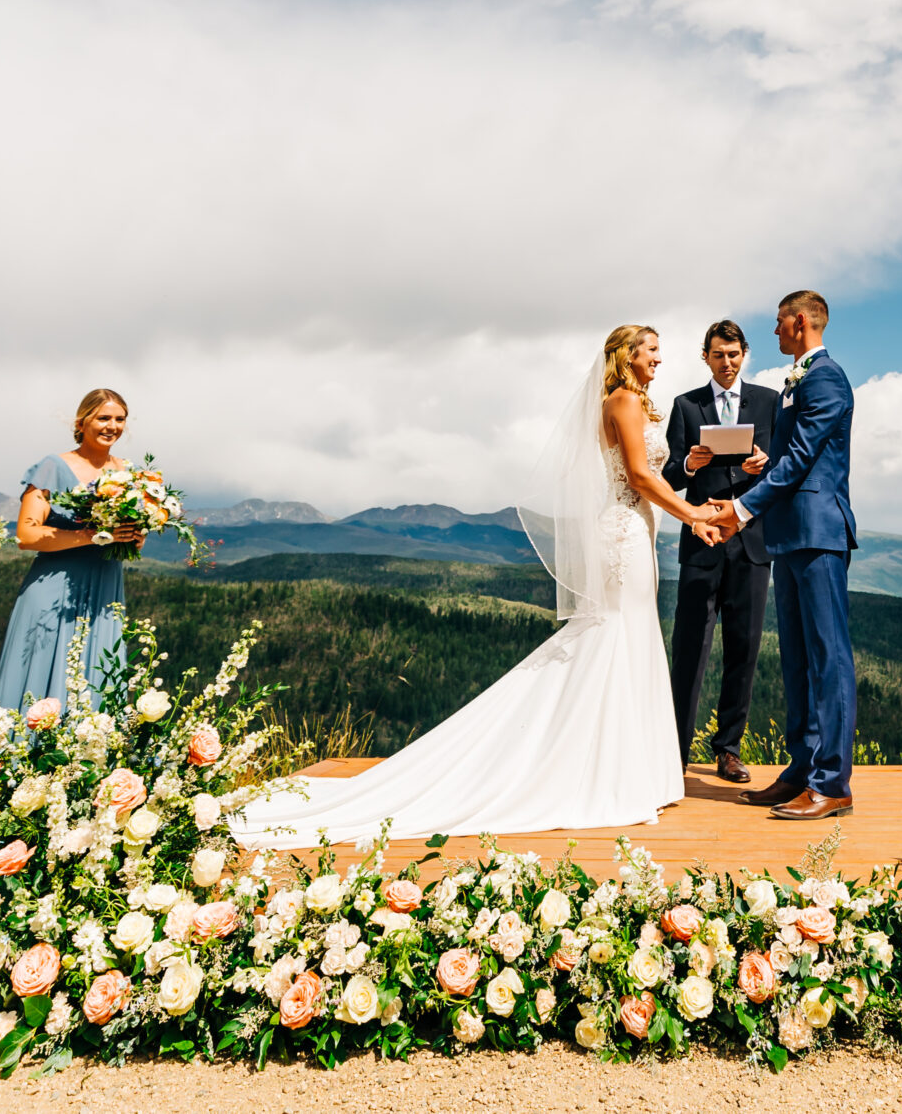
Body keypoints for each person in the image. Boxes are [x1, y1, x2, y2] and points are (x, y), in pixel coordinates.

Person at [235, 325, 719, 847]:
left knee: (630, 639)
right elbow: (640, 477)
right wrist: (692, 514)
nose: (659, 361)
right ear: (627, 356)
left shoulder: (634, 403)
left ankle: (635, 771)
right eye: (651, 352)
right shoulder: (622, 399)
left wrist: (691, 489)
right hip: (622, 532)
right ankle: (612, 774)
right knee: (614, 639)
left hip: (635, 528)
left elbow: (655, 474)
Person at [706, 290, 858, 822]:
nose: (772, 332)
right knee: (796, 659)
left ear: (799, 321)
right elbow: (787, 460)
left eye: (777, 323)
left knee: (829, 657)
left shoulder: (825, 378)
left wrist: (742, 510)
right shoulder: (800, 380)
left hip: (818, 532)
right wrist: (751, 487)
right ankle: (800, 771)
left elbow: (802, 461)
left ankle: (833, 782)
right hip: (789, 534)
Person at [663, 319, 777, 784]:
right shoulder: (686, 406)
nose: (726, 363)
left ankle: (728, 749)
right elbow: (667, 477)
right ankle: (674, 750)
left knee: (743, 649)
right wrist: (690, 462)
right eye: (718, 355)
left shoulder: (770, 403)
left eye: (733, 354)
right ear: (705, 357)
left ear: (743, 354)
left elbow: (785, 469)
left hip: (751, 543)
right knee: (689, 648)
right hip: (701, 541)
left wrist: (764, 464)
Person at [0, 388, 145, 713]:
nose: (112, 426)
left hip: (105, 589)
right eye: (103, 418)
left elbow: (131, 538)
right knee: (39, 679)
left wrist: (133, 536)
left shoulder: (130, 473)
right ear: (82, 421)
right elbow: (26, 534)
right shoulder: (53, 466)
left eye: (119, 419)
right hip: (53, 588)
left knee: (97, 675)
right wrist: (95, 535)